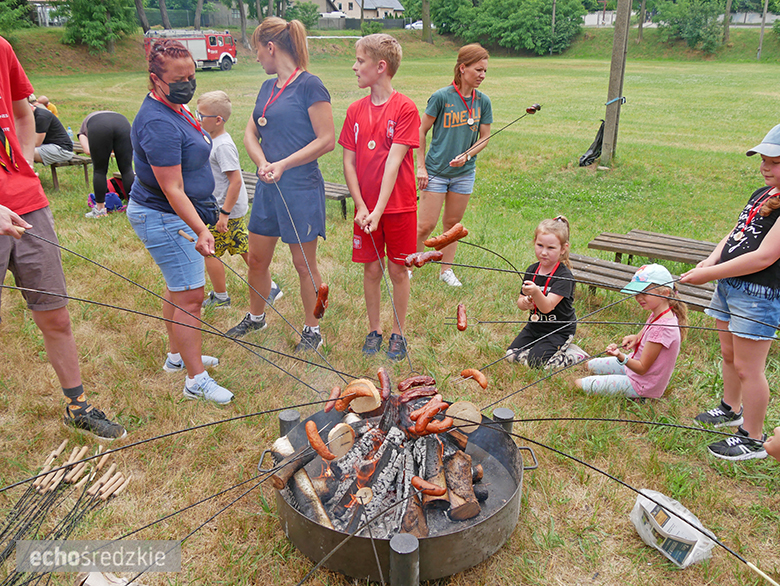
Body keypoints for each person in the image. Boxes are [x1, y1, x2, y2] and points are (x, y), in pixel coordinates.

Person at [0, 36, 125, 439]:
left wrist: (20, 162)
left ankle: (77, 405)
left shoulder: (1, 48)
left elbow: (23, 114)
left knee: (54, 313)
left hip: (27, 204)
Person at [126, 39, 232, 405]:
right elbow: (171, 189)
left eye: (192, 75)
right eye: (179, 78)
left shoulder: (176, 107)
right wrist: (203, 229)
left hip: (174, 214)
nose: (188, 83)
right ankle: (195, 380)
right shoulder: (157, 122)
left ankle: (177, 356)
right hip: (164, 216)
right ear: (155, 79)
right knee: (191, 298)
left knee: (177, 288)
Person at [227, 18, 334, 354]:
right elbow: (249, 132)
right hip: (268, 189)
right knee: (257, 259)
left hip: (300, 188)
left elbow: (327, 140)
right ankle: (256, 317)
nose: (256, 57)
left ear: (270, 47)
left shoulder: (310, 86)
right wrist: (261, 162)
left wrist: (284, 164)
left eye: (257, 50)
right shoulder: (267, 88)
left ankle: (313, 330)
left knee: (304, 264)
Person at [680, 124, 780, 461]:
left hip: (758, 293)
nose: (765, 168)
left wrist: (709, 273)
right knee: (729, 355)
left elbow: (764, 257)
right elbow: (735, 234)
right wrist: (709, 262)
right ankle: (730, 407)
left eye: (775, 162)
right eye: (764, 160)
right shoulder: (762, 194)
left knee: (748, 368)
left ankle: (752, 436)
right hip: (729, 284)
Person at [339, 34, 421, 360]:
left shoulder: (405, 108)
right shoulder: (354, 111)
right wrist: (361, 206)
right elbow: (348, 160)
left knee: (398, 270)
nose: (355, 66)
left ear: (380, 66)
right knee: (371, 270)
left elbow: (393, 162)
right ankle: (374, 329)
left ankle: (398, 333)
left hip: (398, 207)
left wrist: (378, 210)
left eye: (360, 61)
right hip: (365, 211)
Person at [195, 90, 283, 309]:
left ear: (217, 120)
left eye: (200, 115)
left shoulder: (223, 146)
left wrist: (224, 214)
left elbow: (235, 182)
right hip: (224, 208)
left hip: (224, 210)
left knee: (209, 252)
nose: (197, 119)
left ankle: (221, 297)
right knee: (242, 245)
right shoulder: (210, 139)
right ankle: (270, 286)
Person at [415, 44, 492, 287]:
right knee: (425, 225)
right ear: (463, 68)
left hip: (464, 174)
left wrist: (467, 156)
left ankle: (446, 271)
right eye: (478, 69)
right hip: (436, 172)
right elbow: (420, 131)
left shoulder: (483, 101)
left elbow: (485, 137)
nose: (482, 75)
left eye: (485, 71)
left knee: (452, 227)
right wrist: (421, 167)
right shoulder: (441, 97)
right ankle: (412, 262)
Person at [575, 264, 687, 399]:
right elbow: (648, 331)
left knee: (578, 384)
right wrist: (637, 337)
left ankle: (642, 397)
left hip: (641, 384)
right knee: (589, 365)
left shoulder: (662, 329)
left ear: (664, 294)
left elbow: (642, 368)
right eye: (637, 293)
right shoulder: (660, 312)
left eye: (644, 293)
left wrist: (620, 356)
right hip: (632, 369)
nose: (638, 298)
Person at [505, 216, 578, 368]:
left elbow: (546, 307)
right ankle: (539, 349)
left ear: (563, 249)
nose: (544, 252)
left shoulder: (564, 276)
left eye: (551, 248)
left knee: (535, 362)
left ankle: (574, 355)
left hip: (558, 331)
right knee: (510, 354)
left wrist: (537, 293)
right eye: (540, 245)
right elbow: (520, 302)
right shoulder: (532, 270)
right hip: (535, 327)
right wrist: (526, 303)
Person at [77, 111, 134, 218]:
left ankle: (100, 210)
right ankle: (134, 207)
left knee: (100, 171)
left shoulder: (83, 130)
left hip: (99, 126)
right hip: (123, 122)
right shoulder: (114, 116)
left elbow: (87, 150)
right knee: (127, 169)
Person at [29, 96, 73, 165]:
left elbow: (37, 143)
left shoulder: (41, 116)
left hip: (62, 150)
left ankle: (26, 174)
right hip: (48, 146)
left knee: (23, 152)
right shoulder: (31, 116)